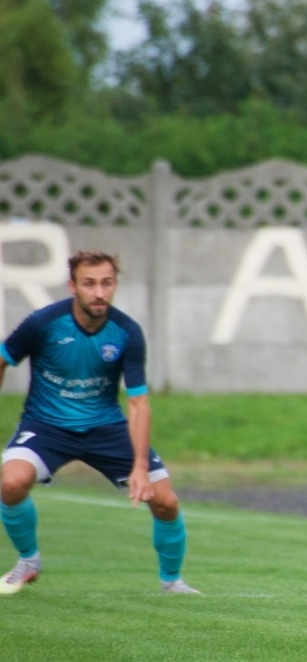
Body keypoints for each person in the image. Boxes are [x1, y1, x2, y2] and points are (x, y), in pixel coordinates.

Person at [0, 252, 197, 596]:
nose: (99, 293)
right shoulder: (42, 324)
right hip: (46, 426)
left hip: (106, 428)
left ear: (115, 285)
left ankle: (173, 582)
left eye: (107, 283)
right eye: (89, 284)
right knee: (11, 482)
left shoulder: (126, 332)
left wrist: (138, 466)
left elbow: (138, 402)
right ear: (72, 286)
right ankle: (29, 561)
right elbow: (3, 358)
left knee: (166, 501)